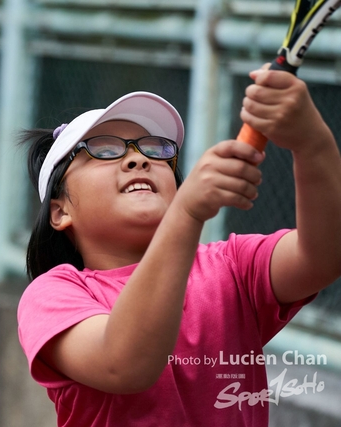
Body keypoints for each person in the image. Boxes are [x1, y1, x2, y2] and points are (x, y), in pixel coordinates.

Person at [17, 65, 341, 427]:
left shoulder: (232, 265)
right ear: (60, 212)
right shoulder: (51, 295)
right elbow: (124, 363)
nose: (139, 158)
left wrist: (312, 142)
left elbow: (324, 256)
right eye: (104, 149)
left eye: (155, 150)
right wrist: (185, 214)